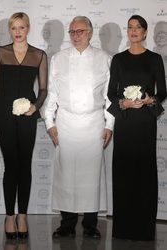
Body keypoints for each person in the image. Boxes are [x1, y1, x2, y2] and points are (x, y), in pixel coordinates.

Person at [44, 16, 114, 239]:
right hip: (65, 123)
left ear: (91, 33)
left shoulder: (105, 59)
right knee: (66, 175)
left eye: (80, 31)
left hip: (94, 123)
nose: (76, 36)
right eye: (72, 31)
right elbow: (52, 93)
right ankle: (67, 224)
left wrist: (109, 124)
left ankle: (91, 225)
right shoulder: (58, 58)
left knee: (91, 176)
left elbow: (109, 97)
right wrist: (49, 123)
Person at [107, 15, 167, 241]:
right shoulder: (118, 59)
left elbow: (162, 91)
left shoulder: (154, 59)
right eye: (130, 27)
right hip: (125, 122)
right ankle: (122, 229)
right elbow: (112, 92)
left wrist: (150, 100)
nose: (133, 31)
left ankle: (144, 229)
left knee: (144, 172)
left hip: (145, 122)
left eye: (138, 28)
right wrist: (124, 102)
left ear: (145, 33)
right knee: (123, 171)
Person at [0, 12, 48, 239]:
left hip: (27, 118)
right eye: (14, 27)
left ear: (28, 28)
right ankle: (9, 215)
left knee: (25, 165)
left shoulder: (39, 55)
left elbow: (43, 89)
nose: (17, 32)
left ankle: (22, 215)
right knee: (11, 166)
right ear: (10, 30)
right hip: (4, 116)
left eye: (21, 27)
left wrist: (36, 107)